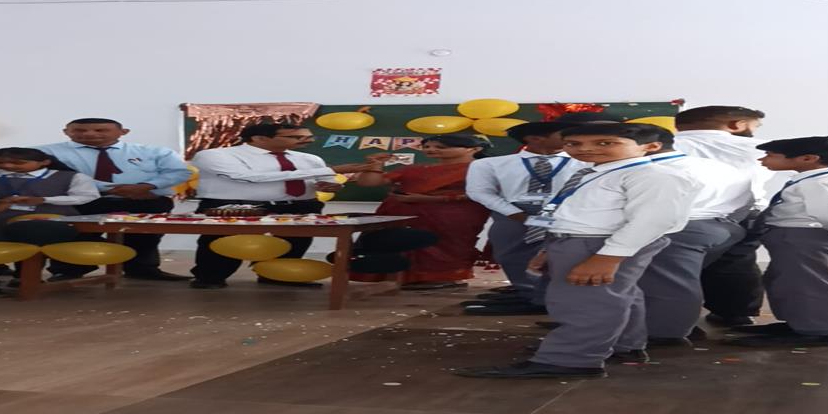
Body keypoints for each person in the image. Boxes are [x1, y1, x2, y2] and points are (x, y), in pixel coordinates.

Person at [453, 124, 698, 379]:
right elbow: (576, 211)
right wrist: (549, 249)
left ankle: (570, 360)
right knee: (616, 296)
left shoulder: (653, 176)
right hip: (582, 240)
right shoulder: (598, 171)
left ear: (651, 146)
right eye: (574, 144)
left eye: (605, 143)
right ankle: (622, 346)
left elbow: (653, 220)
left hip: (599, 244)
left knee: (584, 304)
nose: (586, 149)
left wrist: (607, 258)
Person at [189, 123, 373, 289]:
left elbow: (326, 179)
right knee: (225, 242)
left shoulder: (310, 158)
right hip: (236, 206)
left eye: (309, 136)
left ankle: (279, 276)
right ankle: (210, 278)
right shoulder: (215, 155)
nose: (307, 140)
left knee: (295, 242)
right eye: (296, 137)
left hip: (300, 205)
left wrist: (331, 184)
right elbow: (247, 177)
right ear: (259, 138)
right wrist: (331, 170)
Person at [36, 118, 192, 281]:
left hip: (145, 200)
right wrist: (111, 188)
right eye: (80, 130)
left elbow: (179, 172)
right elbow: (61, 175)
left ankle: (142, 269)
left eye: (100, 130)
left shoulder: (154, 152)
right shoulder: (43, 153)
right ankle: (68, 271)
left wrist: (147, 186)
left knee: (145, 236)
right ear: (66, 132)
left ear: (123, 132)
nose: (90, 134)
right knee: (74, 233)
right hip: (81, 201)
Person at [637, 128, 750, 345]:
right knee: (680, 278)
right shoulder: (717, 166)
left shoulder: (654, 171)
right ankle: (676, 326)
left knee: (666, 282)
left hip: (677, 229)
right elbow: (745, 202)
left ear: (650, 146)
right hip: (722, 225)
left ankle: (666, 333)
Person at [464, 121, 589, 313]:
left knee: (561, 256)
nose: (573, 139)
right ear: (535, 138)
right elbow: (479, 192)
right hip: (512, 213)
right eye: (564, 135)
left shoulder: (587, 163)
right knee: (512, 255)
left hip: (566, 213)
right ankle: (529, 294)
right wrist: (515, 214)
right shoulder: (490, 164)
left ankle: (551, 298)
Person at [726, 137, 828, 347]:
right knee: (788, 281)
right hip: (798, 237)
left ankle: (817, 329)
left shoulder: (818, 183)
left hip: (806, 238)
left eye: (770, 155)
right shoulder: (812, 179)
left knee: (808, 284)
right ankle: (799, 322)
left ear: (808, 158)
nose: (762, 160)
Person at [673, 106, 774, 327]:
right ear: (737, 124)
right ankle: (735, 314)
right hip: (748, 214)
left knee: (678, 270)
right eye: (754, 126)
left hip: (686, 218)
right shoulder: (763, 148)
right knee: (737, 262)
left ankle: (675, 324)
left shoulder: (667, 146)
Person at [353, 134, 490, 290]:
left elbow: (486, 193)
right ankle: (402, 277)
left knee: (442, 247)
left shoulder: (482, 169)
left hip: (452, 217)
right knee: (400, 243)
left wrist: (429, 199)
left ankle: (442, 278)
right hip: (403, 215)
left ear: (474, 149)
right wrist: (375, 165)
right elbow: (369, 183)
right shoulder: (414, 169)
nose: (431, 150)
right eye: (426, 147)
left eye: (441, 147)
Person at [0, 147, 100, 234]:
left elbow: (87, 196)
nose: (8, 166)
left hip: (52, 217)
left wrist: (44, 199)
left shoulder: (71, 176)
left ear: (44, 162)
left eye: (18, 163)